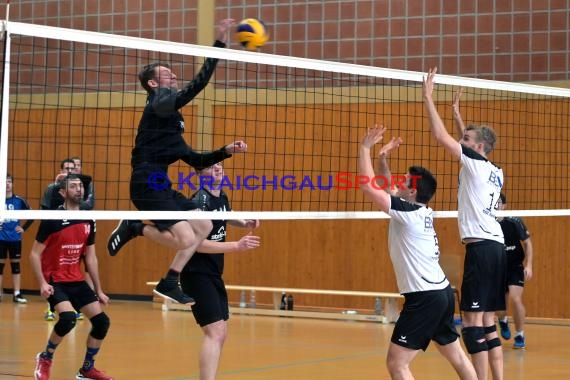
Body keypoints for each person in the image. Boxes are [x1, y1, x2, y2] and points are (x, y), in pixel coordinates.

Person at [106, 18, 247, 305]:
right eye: (167, 75)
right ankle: (136, 228)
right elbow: (198, 85)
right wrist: (219, 43)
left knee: (205, 225)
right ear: (153, 83)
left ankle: (169, 280)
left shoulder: (171, 122)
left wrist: (226, 150)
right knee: (185, 237)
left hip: (159, 181)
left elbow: (196, 160)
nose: (173, 77)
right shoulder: (158, 103)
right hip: (146, 182)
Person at [358, 125, 477, 379]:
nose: (399, 182)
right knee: (457, 356)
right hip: (441, 294)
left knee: (397, 363)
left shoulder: (408, 213)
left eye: (405, 180)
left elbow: (370, 189)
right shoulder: (416, 210)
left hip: (424, 298)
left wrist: (365, 148)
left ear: (412, 191)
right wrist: (382, 158)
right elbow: (388, 188)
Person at [425, 68, 506, 380]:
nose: (462, 141)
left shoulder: (474, 162)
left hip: (482, 249)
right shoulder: (496, 170)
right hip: (496, 248)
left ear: (479, 147)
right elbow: (473, 147)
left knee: (471, 324)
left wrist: (428, 98)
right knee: (487, 321)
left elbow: (440, 136)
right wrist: (458, 114)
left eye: (466, 139)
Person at [179, 162, 260, 380]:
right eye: (211, 166)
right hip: (196, 273)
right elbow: (197, 244)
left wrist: (244, 222)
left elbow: (225, 213)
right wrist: (236, 246)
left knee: (221, 333)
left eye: (220, 165)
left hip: (213, 273)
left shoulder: (220, 196)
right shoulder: (197, 203)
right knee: (214, 332)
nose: (218, 168)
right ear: (199, 174)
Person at [30, 174, 113, 380]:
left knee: (102, 322)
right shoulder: (52, 219)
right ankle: (45, 357)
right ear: (62, 192)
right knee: (67, 319)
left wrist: (99, 290)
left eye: (81, 186)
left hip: (76, 279)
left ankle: (87, 369)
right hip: (54, 279)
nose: (79, 189)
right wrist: (41, 282)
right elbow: (34, 254)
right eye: (74, 186)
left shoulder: (88, 218)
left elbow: (91, 258)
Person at [495, 193, 533, 349]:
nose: (496, 205)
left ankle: (519, 334)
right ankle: (503, 321)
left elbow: (528, 244)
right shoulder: (487, 223)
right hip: (497, 268)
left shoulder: (514, 221)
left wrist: (529, 265)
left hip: (515, 266)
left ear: (504, 206)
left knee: (515, 299)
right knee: (500, 307)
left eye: (499, 203)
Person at [0, 174, 33, 303]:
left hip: (15, 239)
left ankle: (17, 294)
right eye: (4, 182)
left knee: (15, 266)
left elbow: (32, 215)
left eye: (9, 182)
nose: (7, 184)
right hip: (1, 239)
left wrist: (23, 228)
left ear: (12, 184)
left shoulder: (20, 201)